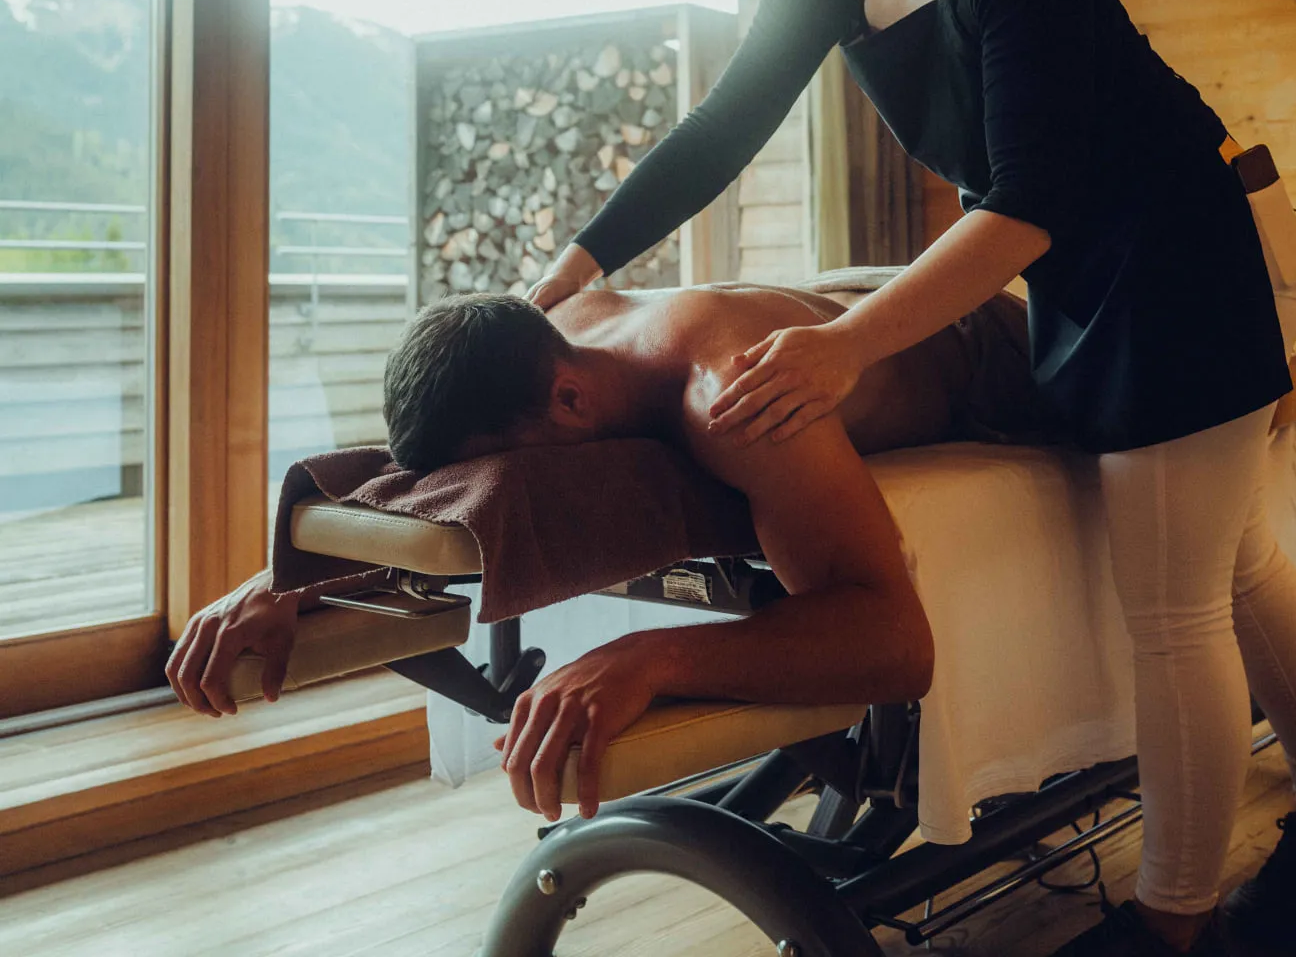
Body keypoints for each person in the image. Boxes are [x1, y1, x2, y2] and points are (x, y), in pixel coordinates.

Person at [521, 0, 1296, 952]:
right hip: (1086, 268)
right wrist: (566, 274)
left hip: (1190, 251)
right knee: (1234, 559)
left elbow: (1026, 205)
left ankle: (1169, 923)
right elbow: (722, 128)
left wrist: (851, 341)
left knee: (1176, 605)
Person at [168, 279, 1041, 825]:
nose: (508, 489)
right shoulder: (548, 330)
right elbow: (437, 477)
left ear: (573, 400)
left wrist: (651, 655)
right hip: (807, 290)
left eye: (514, 474)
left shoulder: (735, 395)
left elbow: (893, 642)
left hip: (993, 344)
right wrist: (285, 580)